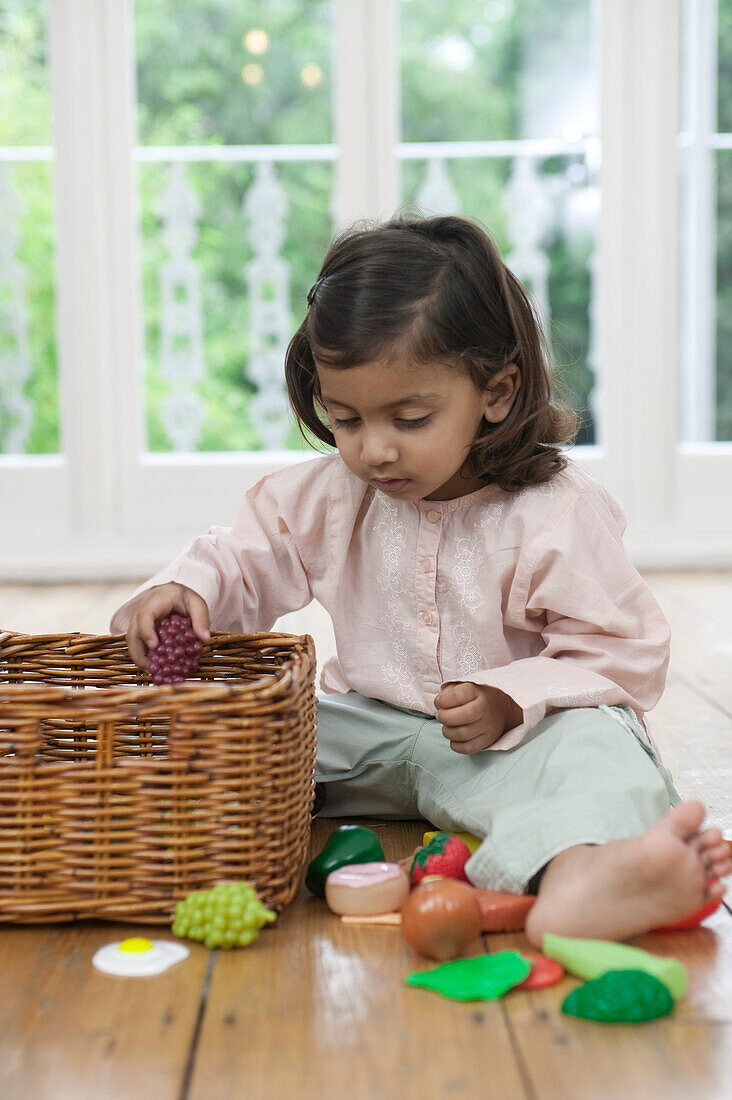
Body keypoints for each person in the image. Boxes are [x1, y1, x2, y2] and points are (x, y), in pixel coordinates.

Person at [111, 213, 731, 946]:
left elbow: (628, 650)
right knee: (247, 724)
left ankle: (584, 878)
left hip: (509, 744)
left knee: (598, 750)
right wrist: (191, 589)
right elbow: (245, 554)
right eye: (344, 419)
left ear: (496, 394)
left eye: (410, 417)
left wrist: (512, 697)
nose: (373, 450)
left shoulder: (554, 513)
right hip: (358, 734)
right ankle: (134, 825)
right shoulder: (326, 496)